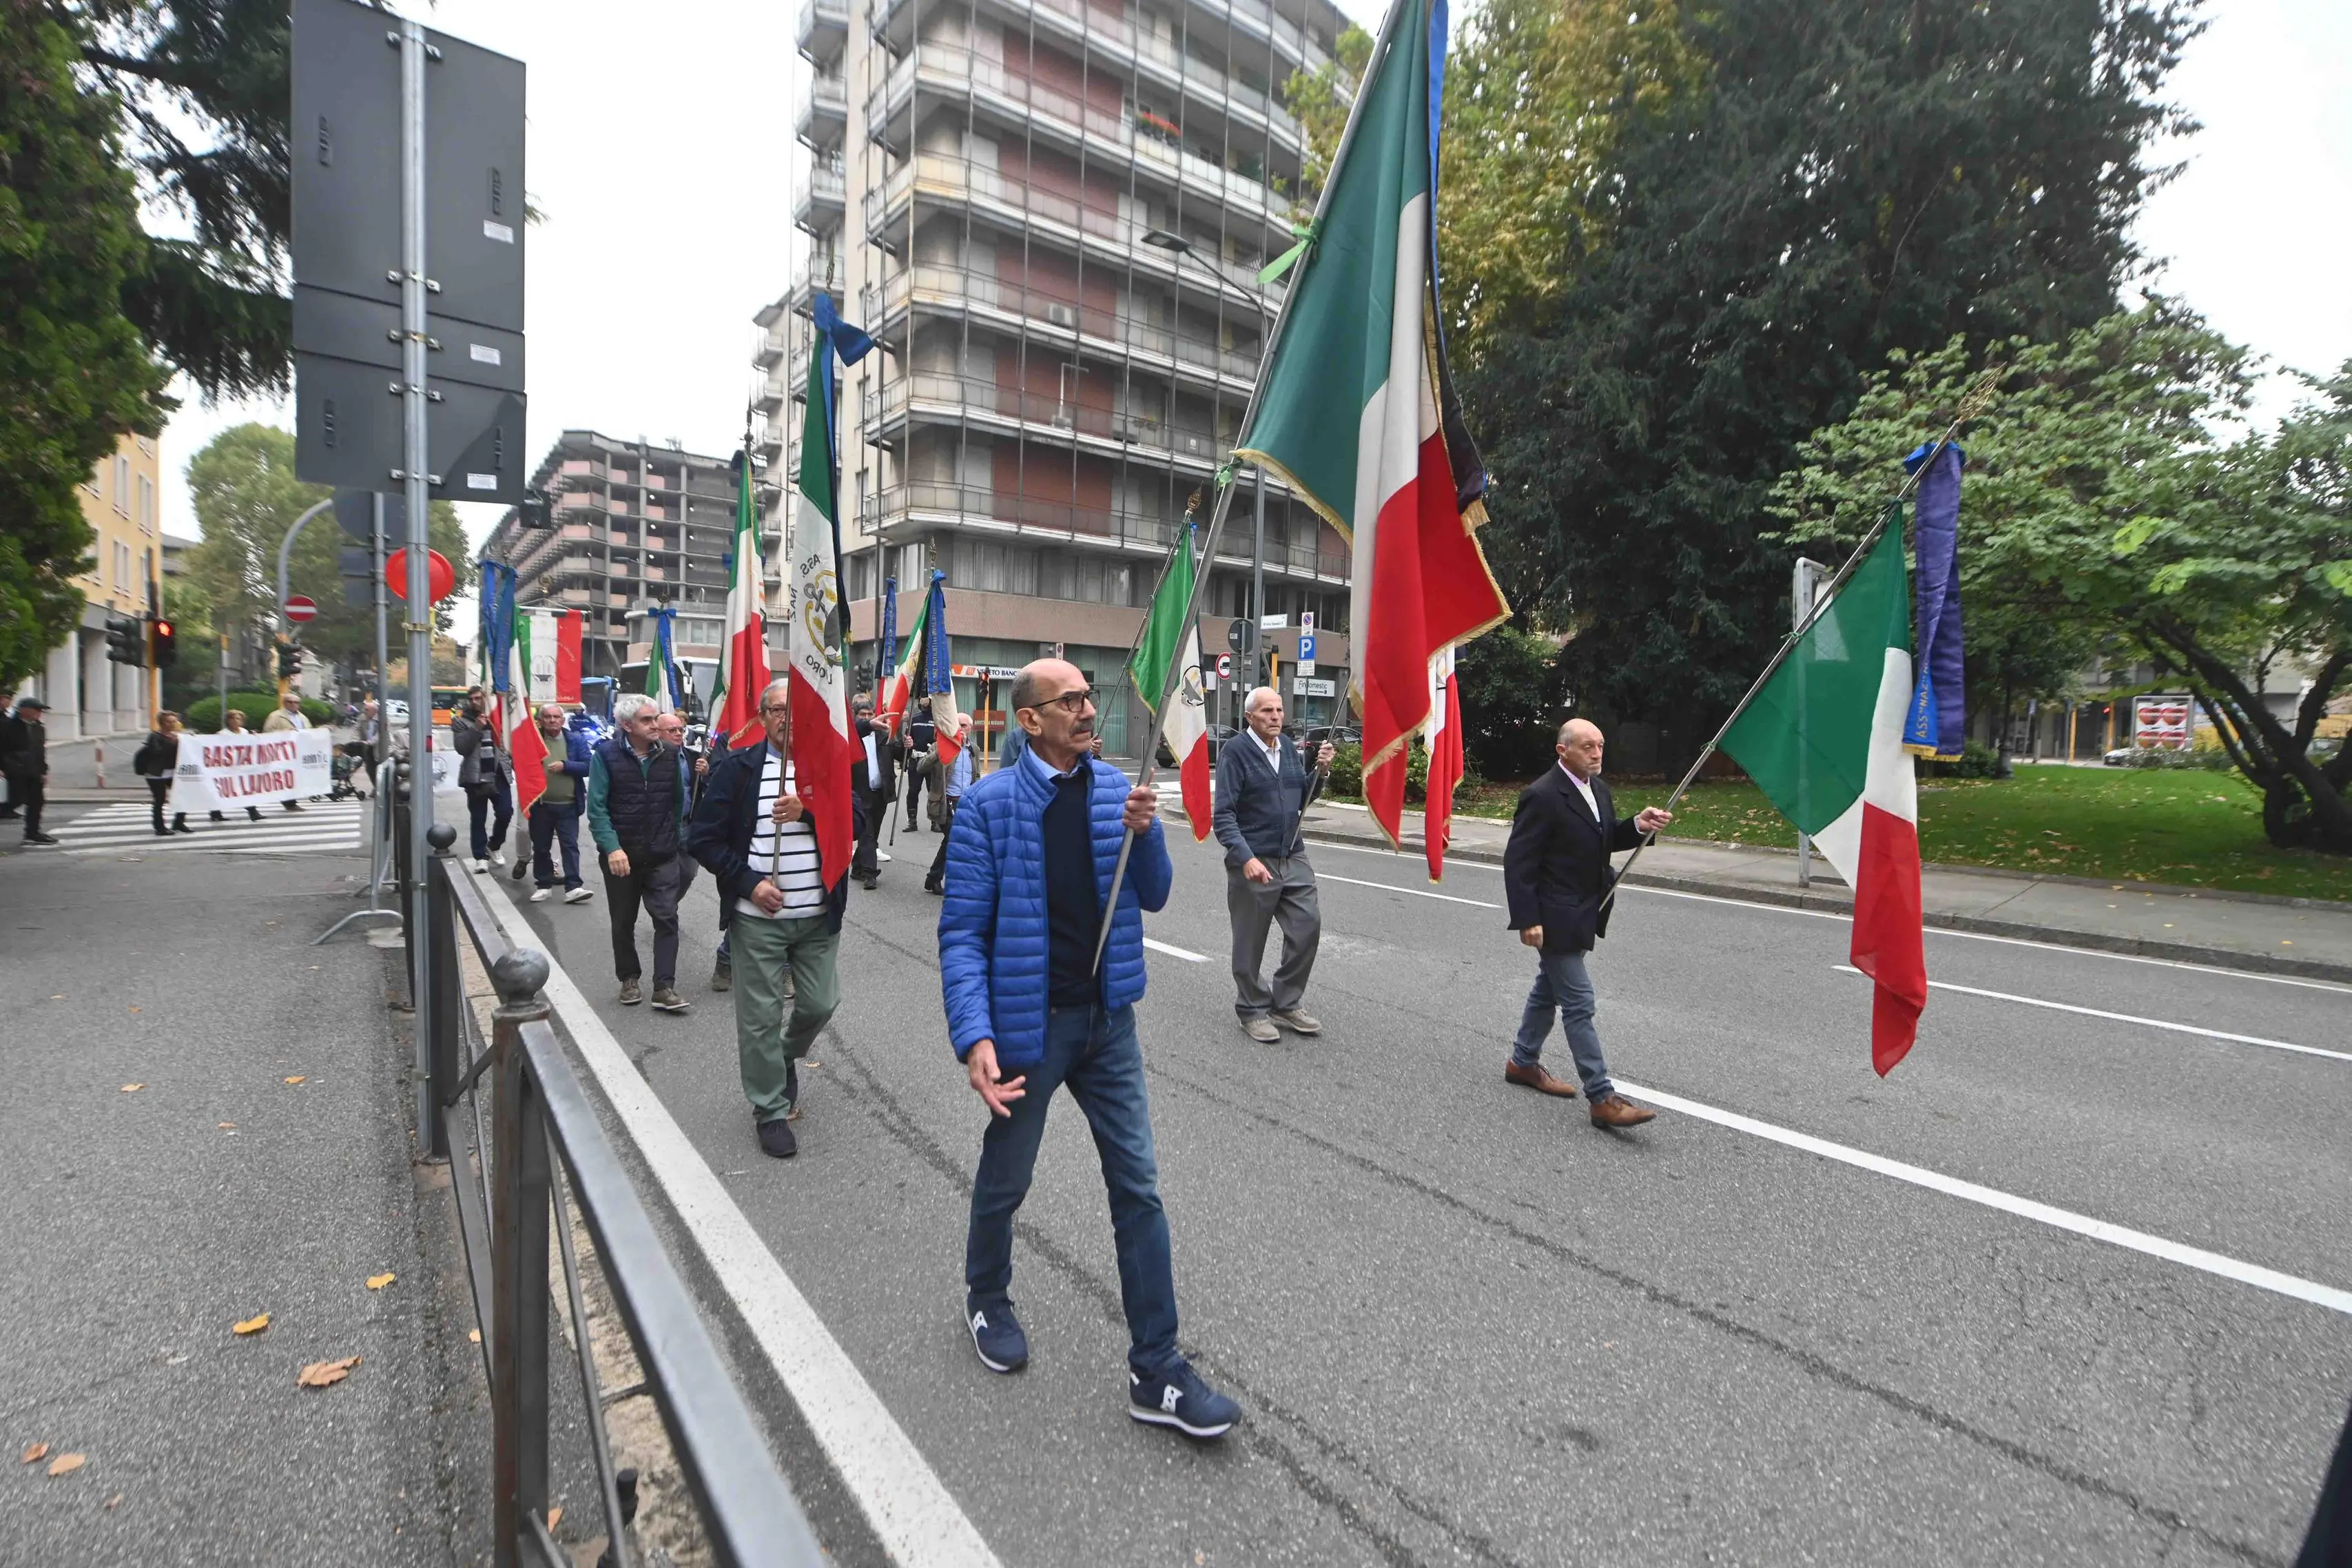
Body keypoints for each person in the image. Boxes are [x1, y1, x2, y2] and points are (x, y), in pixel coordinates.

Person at [938, 658, 1239, 1438]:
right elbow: (963, 934)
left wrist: (1148, 834)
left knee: (1138, 1185)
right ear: (1029, 719)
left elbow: (1157, 892)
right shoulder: (988, 806)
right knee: (1008, 1177)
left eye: (1086, 695)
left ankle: (1157, 1367)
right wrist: (974, 1033)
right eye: (1066, 698)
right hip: (1029, 1027)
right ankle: (987, 1294)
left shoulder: (1117, 791)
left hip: (1108, 1024)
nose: (1085, 707)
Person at [689, 679, 865, 1158]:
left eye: (797, 710)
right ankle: (770, 1110)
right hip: (758, 922)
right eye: (779, 710)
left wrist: (808, 811)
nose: (788, 719)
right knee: (760, 1018)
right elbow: (703, 838)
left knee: (820, 1003)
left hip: (817, 918)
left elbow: (857, 821)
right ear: (763, 717)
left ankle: (784, 1057)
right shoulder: (737, 769)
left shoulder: (827, 765)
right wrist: (749, 883)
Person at [1500, 718, 1671, 1129]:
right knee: (1579, 1003)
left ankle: (1523, 1062)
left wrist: (1637, 826)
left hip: (1584, 909)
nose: (1597, 753)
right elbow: (1519, 863)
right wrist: (1528, 918)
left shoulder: (1599, 789)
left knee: (1548, 990)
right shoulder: (1542, 795)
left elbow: (1602, 838)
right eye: (1588, 747)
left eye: (1600, 745)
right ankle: (1602, 1097)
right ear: (1563, 751)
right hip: (1555, 915)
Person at [1211, 685, 1334, 1044]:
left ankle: (1286, 1002)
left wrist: (1322, 773)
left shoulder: (1290, 751)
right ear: (1250, 717)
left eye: (1279, 710)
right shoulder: (1236, 753)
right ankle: (1251, 1008)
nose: (1276, 717)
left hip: (1291, 854)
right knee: (1250, 940)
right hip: (1254, 858)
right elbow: (1224, 816)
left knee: (1307, 926)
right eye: (1267, 711)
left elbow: (1303, 797)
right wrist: (1245, 858)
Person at [586, 693, 691, 1012]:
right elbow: (597, 809)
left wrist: (672, 840)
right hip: (622, 858)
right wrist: (613, 848)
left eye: (655, 718)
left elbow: (676, 803)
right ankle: (629, 978)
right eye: (647, 720)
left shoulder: (670, 755)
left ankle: (665, 987)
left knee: (667, 918)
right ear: (626, 725)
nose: (655, 725)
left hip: (661, 855)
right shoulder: (605, 755)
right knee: (623, 921)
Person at [526, 703, 595, 905]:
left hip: (568, 804)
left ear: (563, 720)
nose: (553, 720)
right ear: (540, 720)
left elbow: (588, 766)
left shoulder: (575, 740)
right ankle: (544, 885)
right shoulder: (533, 741)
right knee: (541, 847)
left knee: (570, 846)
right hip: (541, 805)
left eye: (557, 717)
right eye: (548, 717)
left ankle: (573, 887)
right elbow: (519, 765)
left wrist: (566, 765)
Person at [453, 687, 514, 873]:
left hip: (499, 774)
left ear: (487, 699)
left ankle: (494, 845)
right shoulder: (461, 721)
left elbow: (511, 744)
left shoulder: (500, 718)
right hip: (475, 777)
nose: (475, 702)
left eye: (478, 698)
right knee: (478, 818)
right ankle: (480, 856)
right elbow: (462, 748)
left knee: (505, 813)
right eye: (471, 699)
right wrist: (477, 727)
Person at [849, 694, 895, 889]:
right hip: (860, 793)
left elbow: (897, 752)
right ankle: (870, 874)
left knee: (872, 834)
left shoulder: (883, 735)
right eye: (862, 714)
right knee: (867, 834)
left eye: (870, 714)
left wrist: (906, 744)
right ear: (855, 716)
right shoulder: (851, 737)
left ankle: (857, 867)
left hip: (880, 793)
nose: (867, 717)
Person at [923, 716, 973, 895]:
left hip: (966, 804)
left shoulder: (973, 750)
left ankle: (934, 878)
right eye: (958, 725)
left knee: (953, 842)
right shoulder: (940, 746)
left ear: (970, 729)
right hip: (946, 803)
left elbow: (974, 778)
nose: (961, 729)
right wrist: (938, 754)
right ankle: (941, 879)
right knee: (953, 838)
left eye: (965, 726)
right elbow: (921, 767)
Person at [2, 697, 56, 846]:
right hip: (14, 770)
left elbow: (40, 752)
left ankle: (32, 833)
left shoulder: (39, 728)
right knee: (15, 800)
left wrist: (44, 771)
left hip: (33, 770)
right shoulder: (7, 726)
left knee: (37, 802)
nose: (39, 714)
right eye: (37, 710)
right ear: (24, 710)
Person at [134, 712, 193, 836]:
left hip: (173, 772)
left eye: (174, 721)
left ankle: (179, 822)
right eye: (169, 721)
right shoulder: (154, 736)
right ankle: (159, 827)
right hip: (156, 772)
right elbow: (156, 752)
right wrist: (174, 742)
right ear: (162, 723)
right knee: (160, 800)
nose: (172, 724)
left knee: (184, 795)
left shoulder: (178, 736)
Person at [208, 708, 264, 823]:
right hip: (227, 767)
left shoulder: (244, 732)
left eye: (239, 719)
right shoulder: (222, 734)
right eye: (234, 719)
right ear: (228, 720)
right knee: (223, 790)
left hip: (242, 766)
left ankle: (252, 811)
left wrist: (255, 737)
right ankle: (215, 812)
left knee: (245, 788)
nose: (237, 721)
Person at [260, 692, 311, 810]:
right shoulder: (275, 716)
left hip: (300, 751)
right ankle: (289, 802)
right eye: (290, 702)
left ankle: (290, 800)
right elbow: (267, 733)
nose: (294, 704)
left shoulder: (303, 717)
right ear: (284, 703)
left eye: (296, 702)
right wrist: (285, 731)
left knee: (297, 777)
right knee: (288, 777)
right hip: (283, 753)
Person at [902, 709, 937, 832]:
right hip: (916, 760)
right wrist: (904, 761)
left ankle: (935, 822)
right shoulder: (914, 719)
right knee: (913, 791)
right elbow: (907, 740)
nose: (925, 701)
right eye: (922, 698)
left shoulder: (938, 718)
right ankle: (912, 821)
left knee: (934, 792)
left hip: (932, 760)